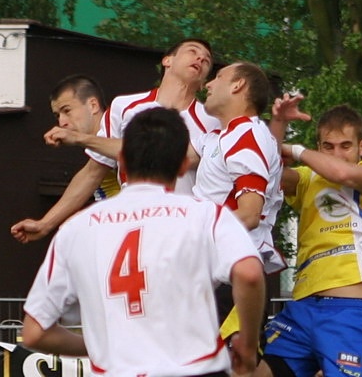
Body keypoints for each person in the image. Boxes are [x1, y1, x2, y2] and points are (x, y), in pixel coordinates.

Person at [21, 107, 266, 377]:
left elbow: (33, 332)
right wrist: (249, 345)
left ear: (122, 160)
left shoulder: (76, 228)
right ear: (183, 165)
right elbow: (249, 273)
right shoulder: (208, 215)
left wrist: (99, 346)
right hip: (194, 370)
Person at [10, 38, 219, 244]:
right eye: (192, 51)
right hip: (133, 225)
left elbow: (169, 155)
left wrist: (81, 138)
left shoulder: (213, 121)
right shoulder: (124, 106)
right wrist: (46, 223)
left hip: (183, 230)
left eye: (207, 59)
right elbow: (93, 172)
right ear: (167, 61)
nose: (201, 58)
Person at [255, 102, 362, 377]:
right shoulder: (309, 179)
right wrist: (279, 124)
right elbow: (265, 172)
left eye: (346, 146)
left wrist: (296, 150)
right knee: (254, 371)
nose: (338, 154)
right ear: (319, 147)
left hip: (347, 311)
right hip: (301, 306)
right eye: (328, 146)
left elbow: (343, 173)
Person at [191, 62, 285, 336]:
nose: (208, 84)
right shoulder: (218, 137)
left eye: (218, 77)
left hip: (233, 277)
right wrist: (85, 138)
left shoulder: (248, 134)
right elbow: (154, 159)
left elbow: (249, 214)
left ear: (238, 85)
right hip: (215, 274)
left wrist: (190, 236)